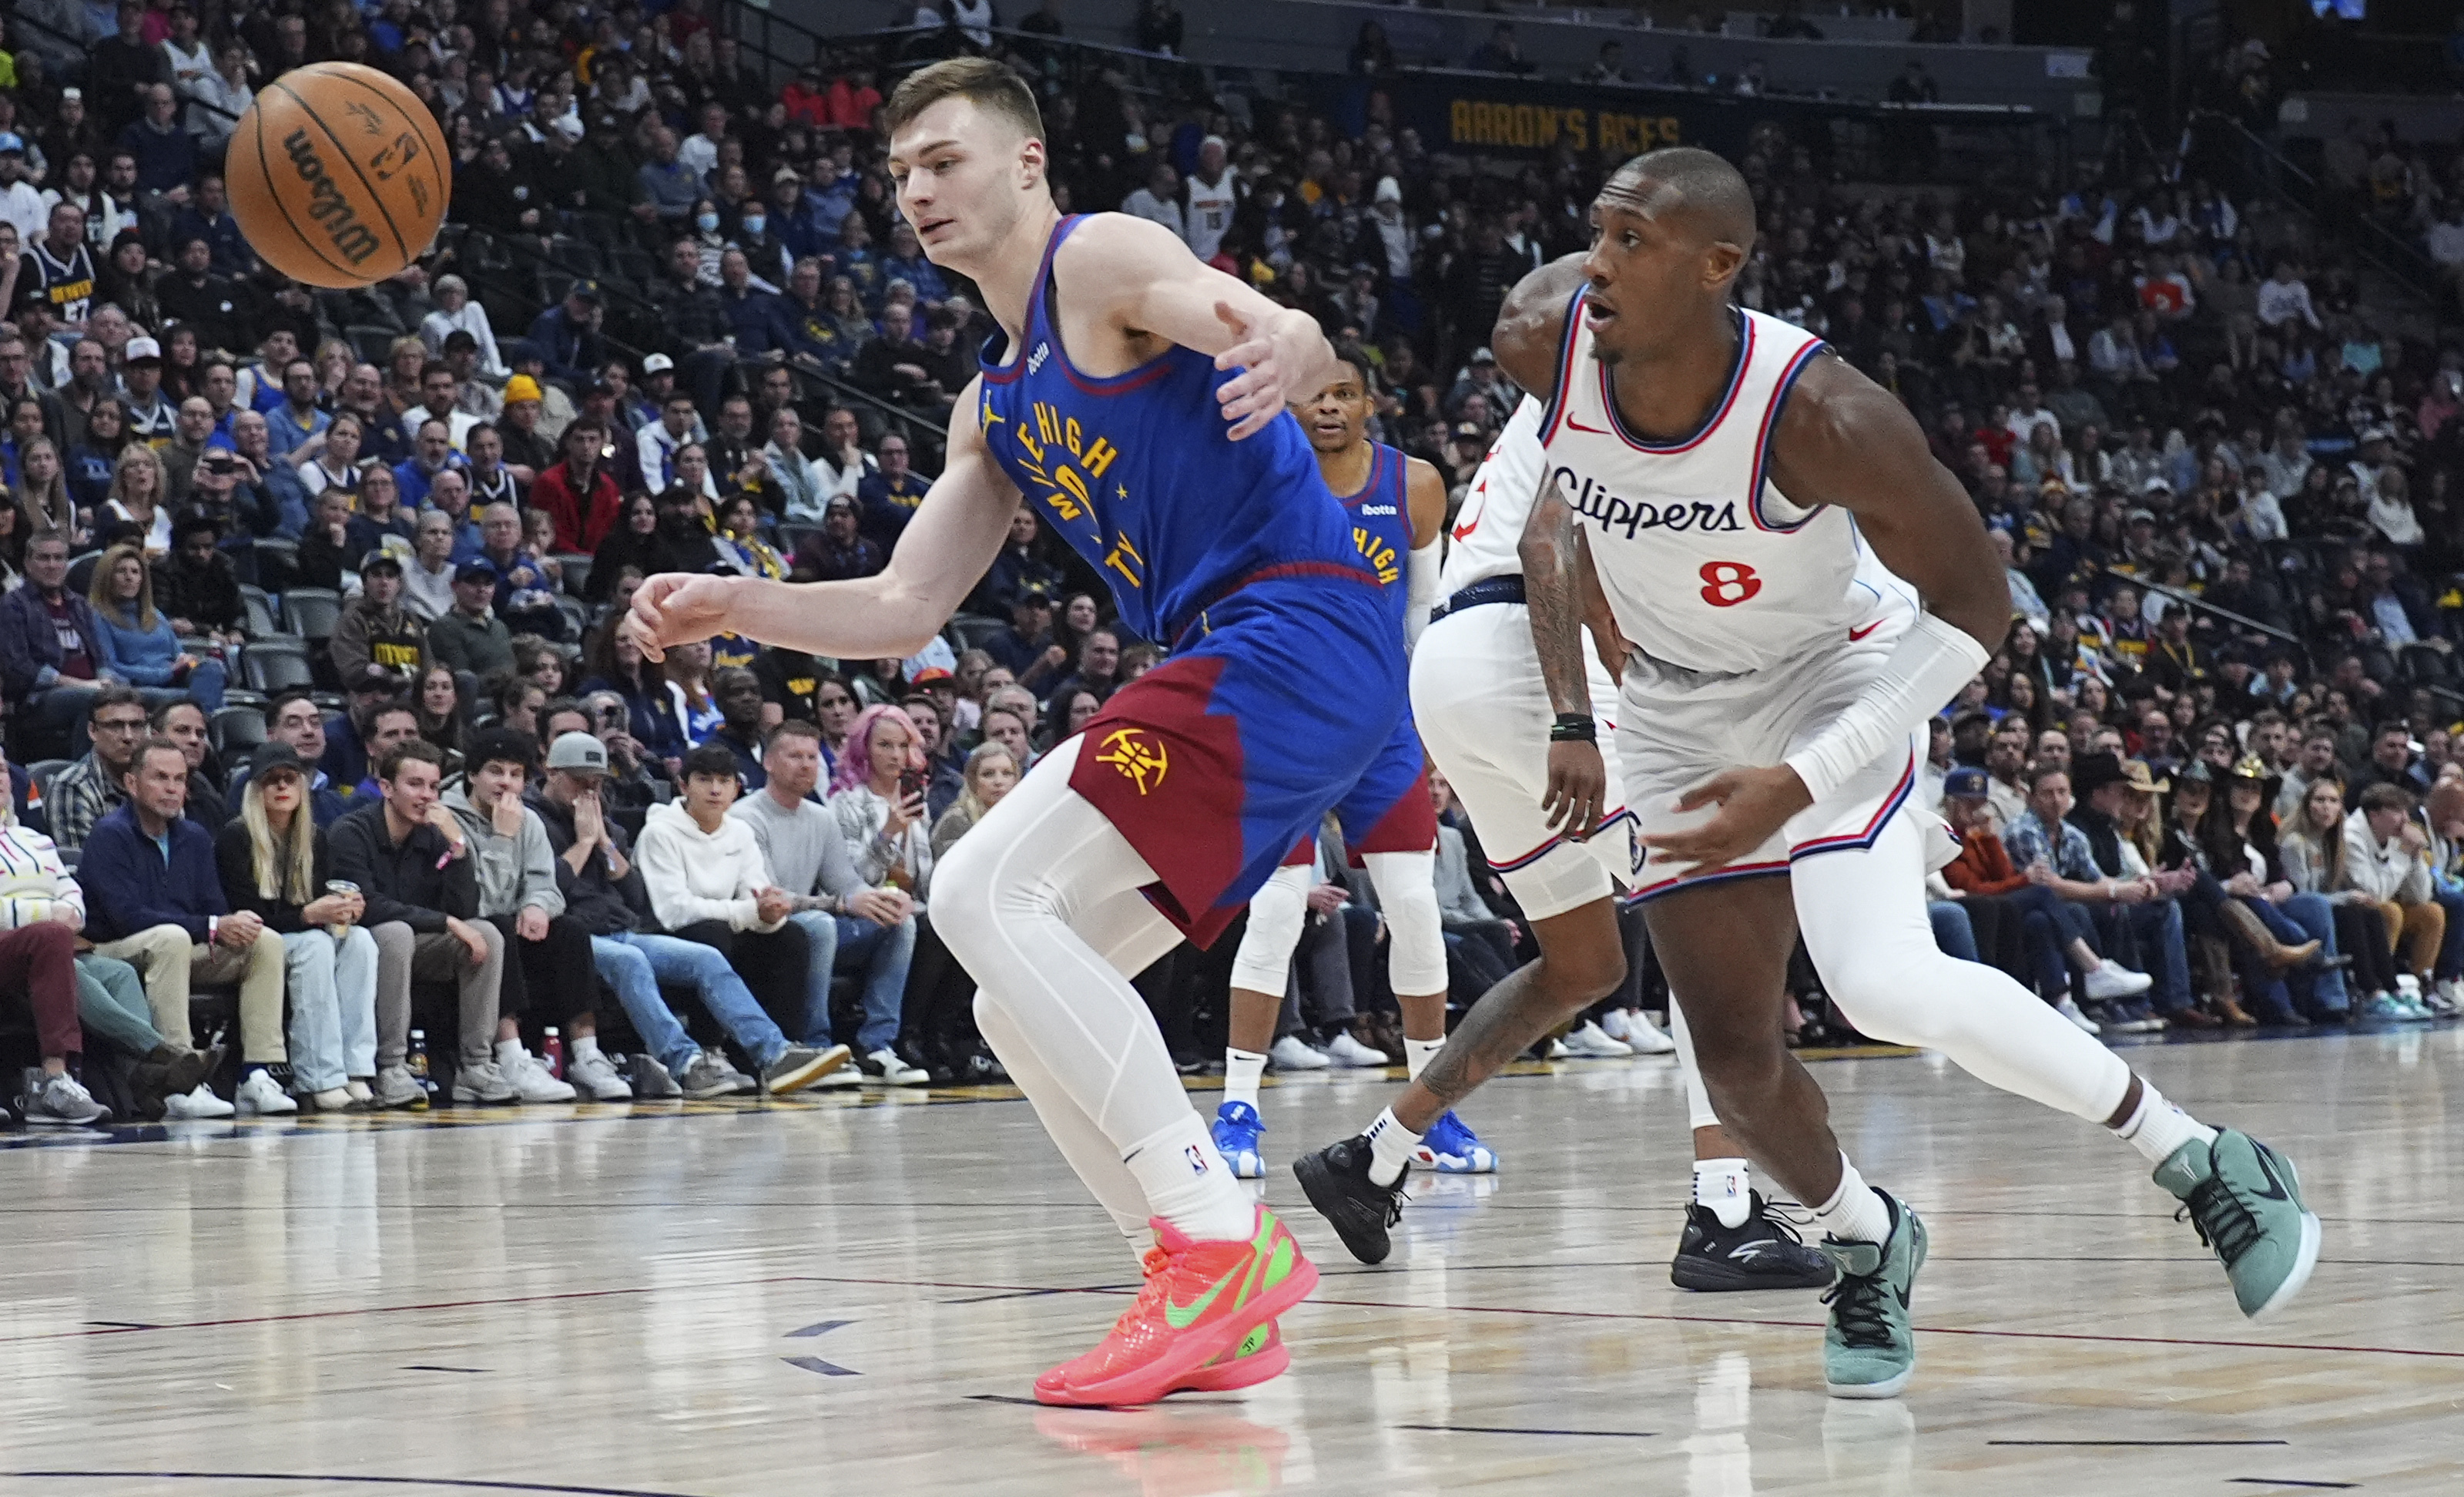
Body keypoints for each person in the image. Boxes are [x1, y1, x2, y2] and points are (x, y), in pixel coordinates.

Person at [1296, 153, 2316, 1405]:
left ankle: (2200, 1157)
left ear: (1718, 267)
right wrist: (1582, 678)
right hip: (1668, 707)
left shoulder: (1823, 413)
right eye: (1593, 234)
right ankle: (1863, 1238)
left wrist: (1801, 775)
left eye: (1631, 240)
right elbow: (1551, 519)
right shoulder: (1541, 339)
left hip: (1831, 676)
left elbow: (1976, 608)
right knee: (1731, 1057)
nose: (1596, 265)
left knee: (1878, 980)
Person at [628, 58, 1372, 1405]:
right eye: (899, 171)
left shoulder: (1099, 262)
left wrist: (1292, 339)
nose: (916, 188)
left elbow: (1272, 328)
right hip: (1254, 662)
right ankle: (1195, 1285)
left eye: (943, 158)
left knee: (978, 885)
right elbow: (904, 604)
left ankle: (1218, 1241)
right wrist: (733, 602)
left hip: (1289, 629)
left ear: (1025, 162)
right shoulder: (994, 401)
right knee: (1011, 993)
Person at [1214, 356, 1497, 1180]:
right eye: (1314, 395)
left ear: (1370, 403)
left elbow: (1424, 610)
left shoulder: (1414, 484)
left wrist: (1428, 716)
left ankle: (1427, 1111)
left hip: (1381, 719)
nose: (1329, 406)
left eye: (1344, 393)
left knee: (1413, 905)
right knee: (1273, 911)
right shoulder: (1254, 479)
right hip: (1287, 719)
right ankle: (1237, 1110)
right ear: (1288, 405)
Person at [531, 730, 847, 1099]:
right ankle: (687, 1063)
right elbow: (547, 890)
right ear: (551, 772)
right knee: (634, 960)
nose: (588, 794)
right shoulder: (534, 822)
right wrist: (584, 843)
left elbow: (634, 897)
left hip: (621, 931)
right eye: (579, 782)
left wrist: (603, 843)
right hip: (569, 935)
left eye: (596, 784)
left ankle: (775, 1054)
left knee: (707, 958)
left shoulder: (605, 823)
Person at [79, 732, 293, 1115]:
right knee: (172, 938)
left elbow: (214, 907)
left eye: (179, 779)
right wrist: (211, 926)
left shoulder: (193, 837)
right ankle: (179, 1079)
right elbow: (126, 918)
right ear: (131, 783)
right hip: (112, 950)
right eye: (160, 778)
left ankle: (257, 1074)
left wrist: (232, 926)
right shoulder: (109, 835)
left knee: (266, 941)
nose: (172, 788)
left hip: (176, 948)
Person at [327, 738, 517, 1109]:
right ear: (386, 788)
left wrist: (458, 848)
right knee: (395, 933)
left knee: (488, 934)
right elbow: (365, 906)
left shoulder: (433, 835)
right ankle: (390, 1068)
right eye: (415, 785)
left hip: (416, 942)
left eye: (433, 786)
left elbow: (465, 908)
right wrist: (446, 922)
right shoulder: (351, 831)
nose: (427, 796)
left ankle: (476, 1066)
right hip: (356, 944)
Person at [732, 719, 921, 1089]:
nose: (806, 765)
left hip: (811, 926)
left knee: (899, 921)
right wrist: (842, 903)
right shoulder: (746, 817)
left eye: (811, 757)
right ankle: (816, 1046)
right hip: (762, 929)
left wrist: (883, 899)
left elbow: (848, 884)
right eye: (794, 756)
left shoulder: (820, 817)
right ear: (768, 762)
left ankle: (876, 1047)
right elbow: (770, 897)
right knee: (820, 925)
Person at [440, 727, 611, 1102]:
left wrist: (537, 906)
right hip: (467, 927)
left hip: (515, 924)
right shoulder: (446, 819)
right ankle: (511, 1057)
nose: (506, 782)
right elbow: (480, 903)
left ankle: (587, 1055)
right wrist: (502, 838)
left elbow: (547, 883)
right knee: (498, 927)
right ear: (472, 774)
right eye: (495, 771)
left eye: (515, 774)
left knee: (570, 930)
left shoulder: (529, 821)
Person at [214, 741, 379, 1113]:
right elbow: (249, 913)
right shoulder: (236, 837)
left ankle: (356, 1070)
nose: (282, 787)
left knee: (361, 941)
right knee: (314, 946)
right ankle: (320, 1078)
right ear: (255, 789)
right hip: (257, 941)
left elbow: (320, 902)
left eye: (290, 778)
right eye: (271, 780)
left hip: (302, 933)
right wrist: (309, 915)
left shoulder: (315, 837)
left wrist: (344, 909)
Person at [636, 742, 813, 1051]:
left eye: (724, 781)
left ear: (736, 790)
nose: (715, 790)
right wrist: (750, 912)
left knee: (792, 936)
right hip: (665, 935)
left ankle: (787, 1048)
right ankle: (710, 1049)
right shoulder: (659, 833)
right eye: (704, 780)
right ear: (683, 786)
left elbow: (754, 891)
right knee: (712, 934)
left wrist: (769, 913)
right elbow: (674, 911)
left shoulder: (740, 832)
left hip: (725, 927)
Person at [45, 683, 149, 850]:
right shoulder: (72, 786)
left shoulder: (157, 778)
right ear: (92, 731)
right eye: (115, 726)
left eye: (136, 725)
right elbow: (84, 861)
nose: (128, 736)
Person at [330, 552, 427, 691]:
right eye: (377, 575)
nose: (384, 582)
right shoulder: (353, 619)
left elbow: (428, 666)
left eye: (390, 576)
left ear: (399, 584)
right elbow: (354, 671)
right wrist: (392, 680)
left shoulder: (412, 620)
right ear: (364, 582)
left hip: (415, 696)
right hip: (372, 694)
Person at [427, 560, 517, 680]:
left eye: (488, 584)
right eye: (473, 583)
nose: (481, 589)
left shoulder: (499, 627)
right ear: (455, 586)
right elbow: (462, 681)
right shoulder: (444, 627)